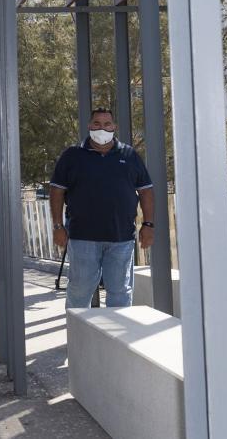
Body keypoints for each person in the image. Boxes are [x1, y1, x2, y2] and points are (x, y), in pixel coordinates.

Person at [49, 107, 155, 309]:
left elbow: (146, 191)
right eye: (97, 123)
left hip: (121, 239)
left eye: (107, 124)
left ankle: (116, 340)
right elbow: (56, 191)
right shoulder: (72, 156)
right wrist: (57, 226)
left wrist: (148, 224)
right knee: (79, 292)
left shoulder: (130, 155)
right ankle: (78, 339)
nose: (102, 128)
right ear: (89, 126)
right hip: (82, 239)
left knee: (120, 294)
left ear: (114, 127)